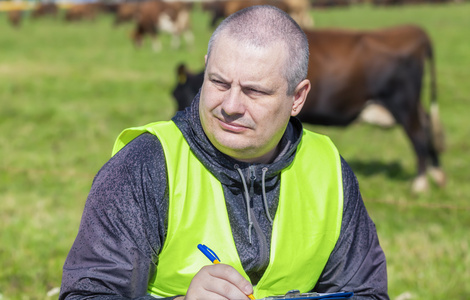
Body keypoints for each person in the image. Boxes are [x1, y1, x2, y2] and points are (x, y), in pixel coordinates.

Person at [60, 5, 389, 300]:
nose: (230, 106)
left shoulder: (328, 168)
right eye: (217, 82)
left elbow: (366, 292)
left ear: (298, 98)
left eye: (254, 91)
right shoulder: (143, 166)